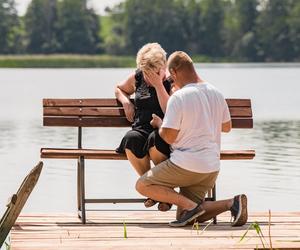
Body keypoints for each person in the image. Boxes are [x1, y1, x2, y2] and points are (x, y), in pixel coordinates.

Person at [136, 51, 248, 227]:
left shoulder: (179, 97)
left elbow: (169, 137)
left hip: (186, 165)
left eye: (171, 80)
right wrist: (201, 123)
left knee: (142, 185)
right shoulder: (216, 93)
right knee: (185, 216)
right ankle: (231, 203)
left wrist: (160, 126)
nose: (172, 83)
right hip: (211, 168)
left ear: (173, 72)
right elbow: (226, 127)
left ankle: (191, 206)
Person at [115, 43, 173, 211]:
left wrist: (158, 85)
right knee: (130, 139)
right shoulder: (138, 77)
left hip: (164, 131)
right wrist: (126, 102)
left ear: (162, 67)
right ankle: (155, 189)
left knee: (154, 139)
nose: (147, 76)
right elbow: (119, 88)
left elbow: (168, 109)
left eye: (152, 72)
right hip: (141, 128)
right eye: (145, 71)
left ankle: (160, 190)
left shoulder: (171, 80)